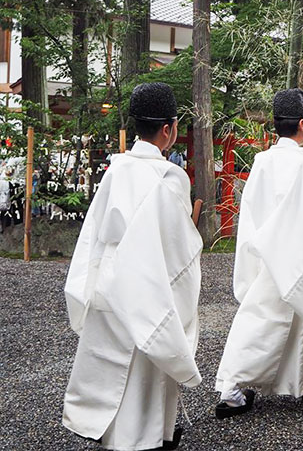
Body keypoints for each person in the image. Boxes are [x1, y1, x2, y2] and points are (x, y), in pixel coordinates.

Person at [62, 83, 203, 451]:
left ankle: (118, 436)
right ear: (169, 129)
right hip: (145, 283)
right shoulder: (170, 179)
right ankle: (149, 438)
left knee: (111, 367)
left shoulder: (116, 169)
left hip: (109, 282)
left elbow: (94, 233)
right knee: (147, 366)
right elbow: (176, 251)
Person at [215, 88, 303, 418]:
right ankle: (235, 389)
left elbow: (251, 212)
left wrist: (255, 252)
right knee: (298, 317)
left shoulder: (262, 162)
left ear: (275, 126)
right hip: (300, 255)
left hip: (268, 254)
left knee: (263, 319)